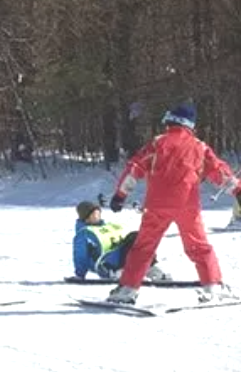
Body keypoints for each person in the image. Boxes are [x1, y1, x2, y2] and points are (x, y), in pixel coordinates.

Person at [107, 102, 241, 304]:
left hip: (156, 206)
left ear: (170, 121)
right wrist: (237, 190)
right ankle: (213, 286)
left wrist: (120, 195)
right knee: (198, 246)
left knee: (143, 248)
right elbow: (218, 170)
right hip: (187, 205)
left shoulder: (157, 143)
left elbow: (135, 167)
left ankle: (127, 289)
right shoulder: (199, 147)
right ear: (190, 124)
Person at [72, 201, 168, 281]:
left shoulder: (108, 226)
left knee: (139, 237)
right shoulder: (84, 234)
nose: (97, 216)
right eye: (93, 214)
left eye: (98, 213)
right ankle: (122, 272)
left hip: (121, 257)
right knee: (133, 238)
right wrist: (80, 275)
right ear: (86, 217)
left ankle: (151, 269)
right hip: (108, 266)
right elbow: (80, 256)